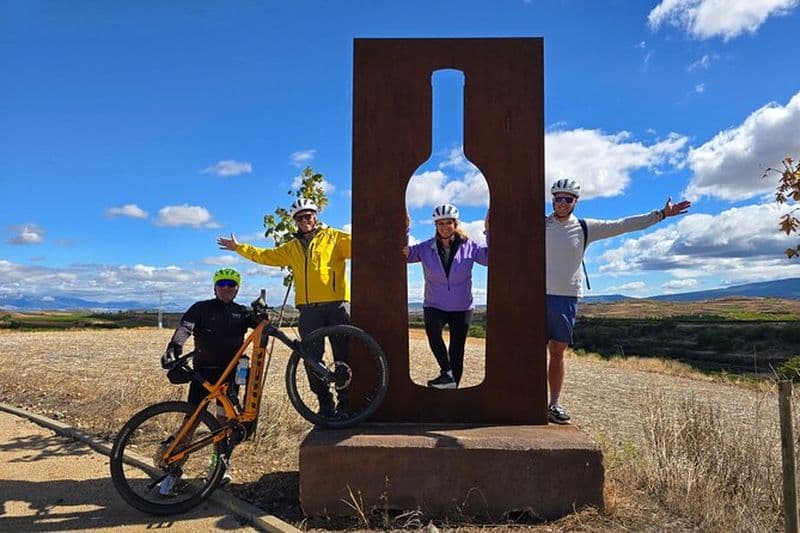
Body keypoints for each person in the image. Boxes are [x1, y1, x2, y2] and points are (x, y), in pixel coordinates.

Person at [545, 178, 691, 424]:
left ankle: (554, 403)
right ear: (552, 200)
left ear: (575, 202)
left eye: (567, 199)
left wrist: (662, 214)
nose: (562, 203)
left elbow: (622, 225)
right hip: (536, 294)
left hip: (566, 296)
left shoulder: (584, 227)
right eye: (558, 198)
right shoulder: (541, 224)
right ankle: (526, 400)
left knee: (557, 351)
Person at [217, 198, 351, 417]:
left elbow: (364, 243)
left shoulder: (335, 237)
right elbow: (265, 255)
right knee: (311, 359)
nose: (304, 220)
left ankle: (345, 404)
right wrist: (239, 248)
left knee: (344, 356)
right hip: (308, 310)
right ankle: (325, 403)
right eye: (300, 218)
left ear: (315, 216)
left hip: (337, 305)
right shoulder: (292, 247)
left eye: (308, 216)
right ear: (295, 222)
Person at [159, 267, 259, 490]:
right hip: (203, 374)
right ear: (214, 287)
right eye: (221, 284)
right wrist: (174, 347)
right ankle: (173, 469)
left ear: (237, 289)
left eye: (230, 285)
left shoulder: (241, 312)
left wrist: (262, 314)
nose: (226, 289)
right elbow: (185, 327)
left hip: (229, 377)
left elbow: (263, 327)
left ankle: (217, 466)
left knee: (224, 424)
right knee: (191, 422)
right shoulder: (201, 308)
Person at [403, 204, 489, 389]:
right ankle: (447, 373)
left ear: (455, 224)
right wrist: (405, 228)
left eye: (448, 222)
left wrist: (488, 231)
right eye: (440, 223)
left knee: (457, 349)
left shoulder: (469, 246)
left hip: (462, 306)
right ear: (435, 225)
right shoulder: (426, 247)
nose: (444, 227)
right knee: (434, 335)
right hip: (434, 304)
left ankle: (453, 387)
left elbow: (490, 258)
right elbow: (405, 254)